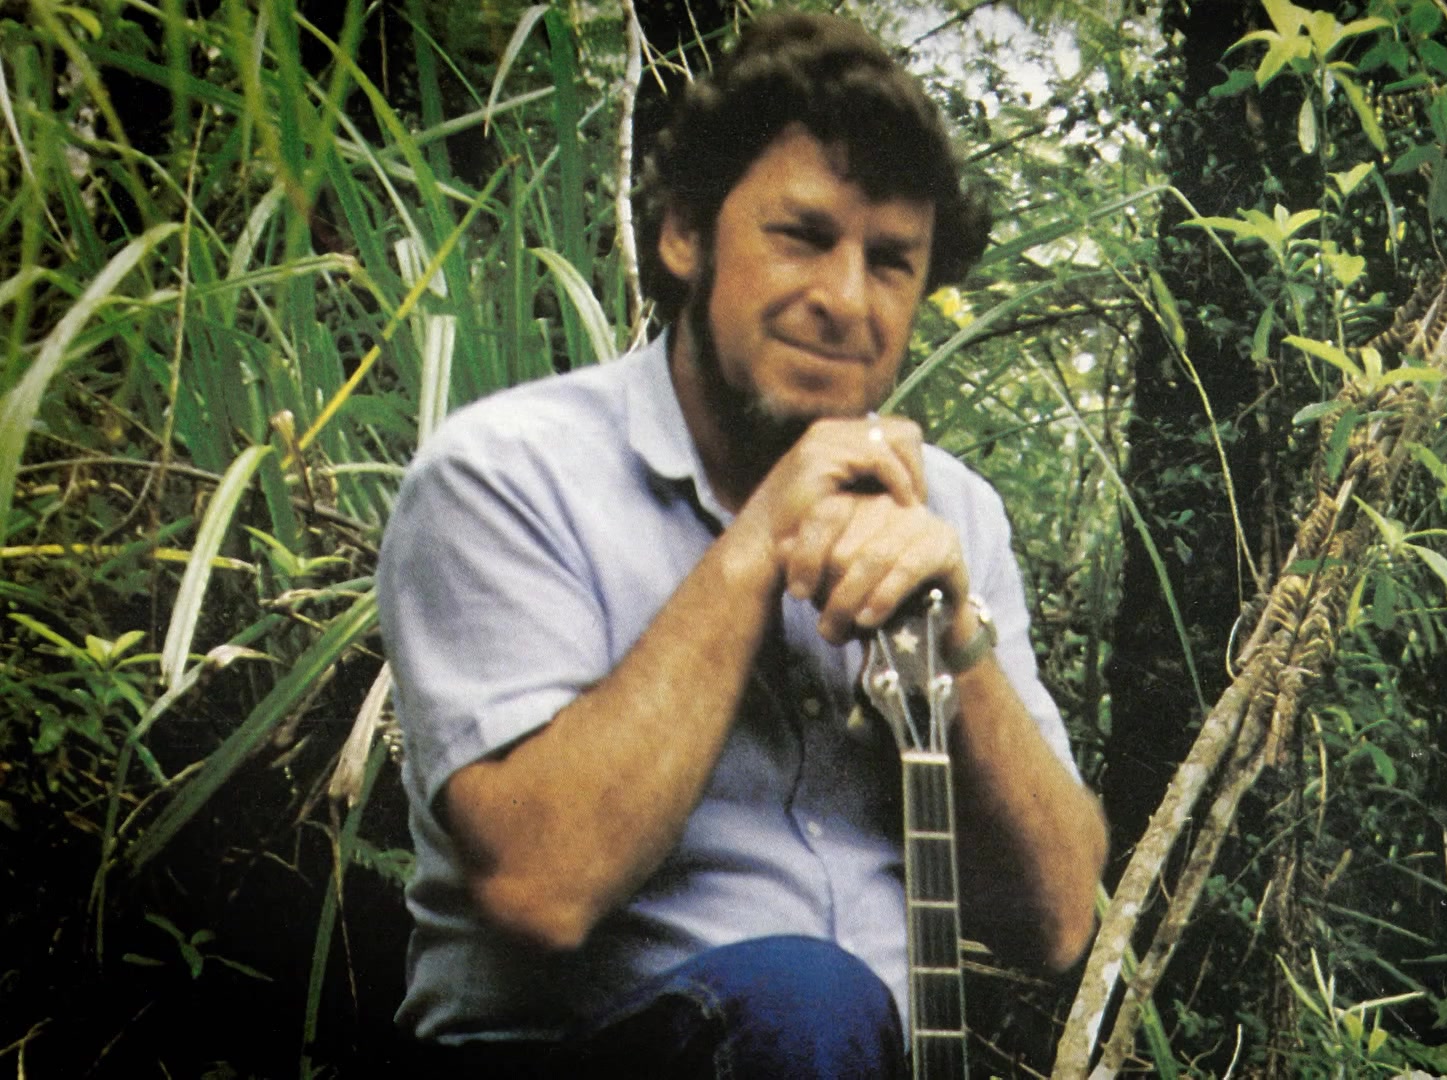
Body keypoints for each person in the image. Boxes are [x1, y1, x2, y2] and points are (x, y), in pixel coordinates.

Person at [377, 12, 1109, 1076]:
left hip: (859, 1059)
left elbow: (1058, 924)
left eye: (891, 262)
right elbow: (539, 887)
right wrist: (760, 538)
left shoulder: (950, 513)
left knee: (824, 1016)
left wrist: (961, 647)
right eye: (802, 237)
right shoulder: (506, 474)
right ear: (686, 235)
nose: (845, 299)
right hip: (564, 1050)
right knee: (807, 999)